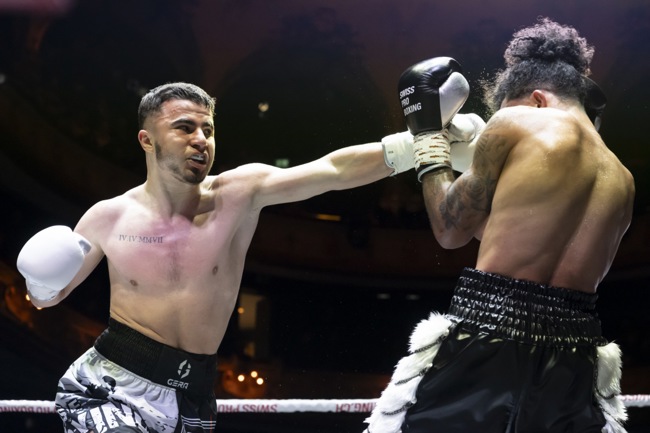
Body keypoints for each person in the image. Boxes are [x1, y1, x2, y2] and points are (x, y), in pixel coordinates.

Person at [16, 79, 480, 432]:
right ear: (147, 140)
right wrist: (40, 276)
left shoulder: (239, 193)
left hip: (194, 393)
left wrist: (419, 143)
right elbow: (46, 299)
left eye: (208, 129)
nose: (200, 139)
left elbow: (333, 170)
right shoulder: (107, 217)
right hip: (111, 385)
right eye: (184, 128)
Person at [365, 18, 634, 433]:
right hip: (575, 359)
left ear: (537, 99)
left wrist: (428, 137)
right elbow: (512, 235)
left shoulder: (516, 122)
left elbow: (450, 229)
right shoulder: (622, 178)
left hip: (488, 338)